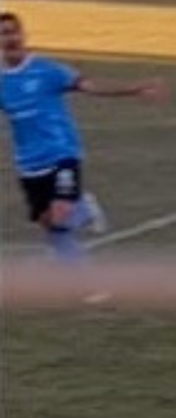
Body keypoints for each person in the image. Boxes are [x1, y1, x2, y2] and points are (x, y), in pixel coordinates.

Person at [0, 12, 166, 263]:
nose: (10, 38)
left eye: (13, 31)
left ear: (23, 35)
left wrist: (135, 89)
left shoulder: (47, 70)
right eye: (4, 33)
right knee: (53, 229)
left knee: (60, 216)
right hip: (28, 163)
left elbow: (92, 87)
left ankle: (84, 207)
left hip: (61, 153)